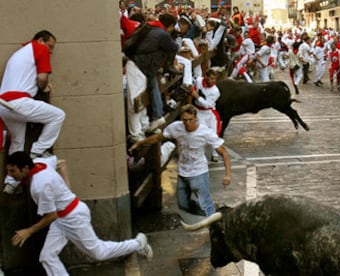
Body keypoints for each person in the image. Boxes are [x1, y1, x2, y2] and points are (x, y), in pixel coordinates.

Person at [6, 152, 153, 276]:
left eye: (13, 171)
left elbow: (51, 216)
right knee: (47, 256)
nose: (10, 176)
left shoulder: (40, 186)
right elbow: (61, 163)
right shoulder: (39, 162)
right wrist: (67, 190)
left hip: (73, 218)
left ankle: (138, 243)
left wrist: (29, 231)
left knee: (99, 253)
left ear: (25, 168)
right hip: (64, 218)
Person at [129, 104, 232, 217]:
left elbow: (224, 153)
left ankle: (213, 220)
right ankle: (212, 213)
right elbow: (157, 138)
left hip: (199, 173)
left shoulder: (206, 133)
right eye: (185, 120)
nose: (187, 123)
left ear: (196, 118)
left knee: (204, 203)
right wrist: (139, 143)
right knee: (183, 204)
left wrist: (228, 174)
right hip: (183, 172)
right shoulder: (175, 127)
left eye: (190, 120)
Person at [0, 30, 66, 158]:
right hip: (18, 102)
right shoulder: (40, 48)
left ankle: (12, 178)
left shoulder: (20, 53)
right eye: (50, 47)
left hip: (3, 106)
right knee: (58, 116)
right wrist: (45, 87)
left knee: (17, 143)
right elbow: (42, 79)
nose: (50, 51)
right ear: (41, 40)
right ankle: (38, 150)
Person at [123, 13, 180, 133]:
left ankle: (143, 125)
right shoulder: (161, 33)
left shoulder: (151, 27)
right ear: (170, 26)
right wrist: (169, 65)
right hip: (138, 65)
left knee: (142, 97)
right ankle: (135, 132)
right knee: (136, 100)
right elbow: (174, 47)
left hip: (141, 65)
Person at [189, 69, 221, 161]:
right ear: (205, 76)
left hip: (209, 112)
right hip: (199, 111)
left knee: (214, 133)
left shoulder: (215, 91)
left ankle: (214, 153)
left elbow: (207, 104)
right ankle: (201, 155)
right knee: (200, 133)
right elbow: (191, 84)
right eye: (210, 78)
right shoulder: (199, 81)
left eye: (214, 79)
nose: (212, 81)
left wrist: (196, 96)